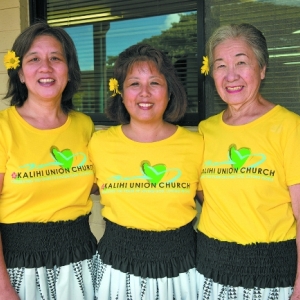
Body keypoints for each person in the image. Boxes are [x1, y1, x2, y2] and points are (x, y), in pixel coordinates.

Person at [88, 43, 203, 299]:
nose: (144, 93)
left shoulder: (197, 144)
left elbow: (218, 204)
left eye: (154, 83)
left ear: (170, 91)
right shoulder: (99, 144)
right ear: (120, 92)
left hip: (181, 269)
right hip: (116, 270)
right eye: (134, 84)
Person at [196, 23, 300, 300]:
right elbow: (203, 193)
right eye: (220, 65)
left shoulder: (289, 127)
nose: (231, 75)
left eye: (241, 62)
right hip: (210, 268)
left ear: (262, 69)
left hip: (271, 274)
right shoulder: (206, 130)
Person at [0, 22, 97, 300]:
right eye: (34, 59)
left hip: (81, 259)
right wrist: (2, 287)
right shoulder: (3, 128)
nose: (46, 67)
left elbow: (100, 183)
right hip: (19, 266)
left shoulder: (84, 125)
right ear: (20, 73)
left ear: (68, 70)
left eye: (56, 58)